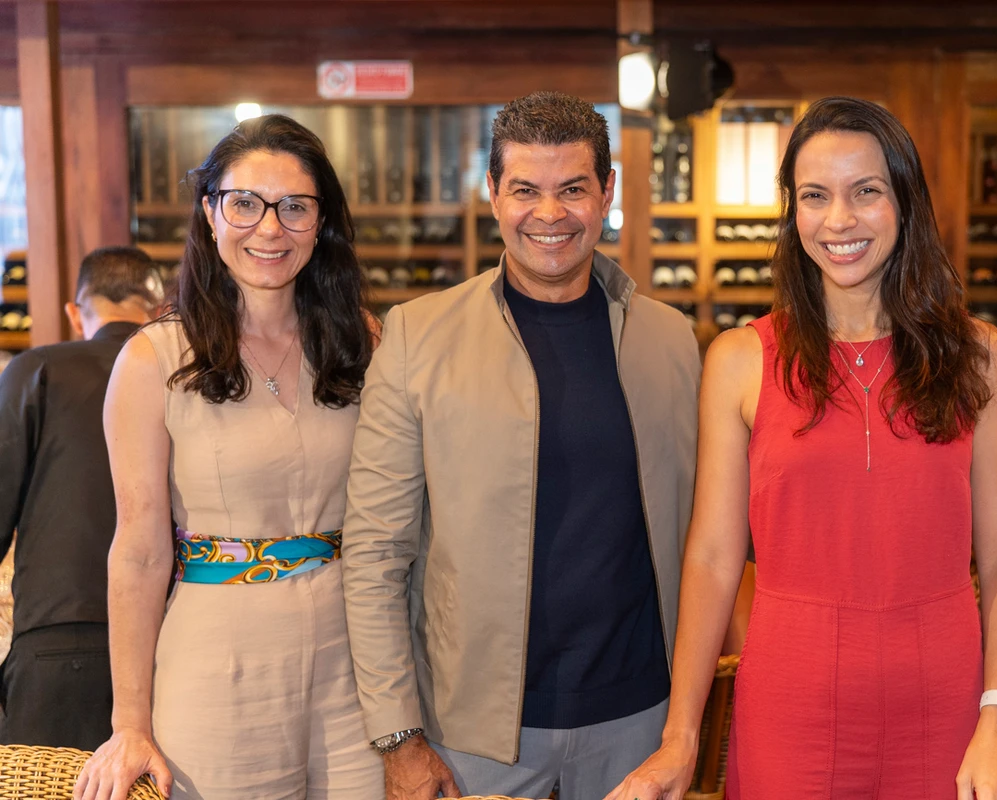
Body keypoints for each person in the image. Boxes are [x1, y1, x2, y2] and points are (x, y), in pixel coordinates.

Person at [608, 97, 997, 800]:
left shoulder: (979, 354)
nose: (839, 220)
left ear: (905, 203)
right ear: (792, 213)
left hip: (945, 700)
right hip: (789, 701)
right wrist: (680, 738)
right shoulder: (742, 360)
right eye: (815, 197)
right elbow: (714, 559)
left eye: (865, 192)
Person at [341, 91, 701, 800]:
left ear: (607, 191)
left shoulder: (672, 340)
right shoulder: (417, 337)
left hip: (639, 723)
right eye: (525, 190)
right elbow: (376, 552)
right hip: (471, 735)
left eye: (572, 189)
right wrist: (397, 737)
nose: (550, 214)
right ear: (492, 193)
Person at [74, 115, 383, 800]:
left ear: (321, 221)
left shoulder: (361, 341)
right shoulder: (154, 358)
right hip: (217, 665)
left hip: (355, 665)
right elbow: (139, 550)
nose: (269, 229)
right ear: (211, 212)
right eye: (245, 203)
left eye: (294, 207)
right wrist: (130, 722)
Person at [0, 247, 162, 750]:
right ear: (158, 311)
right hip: (167, 638)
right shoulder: (184, 377)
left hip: (57, 632)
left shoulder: (36, 370)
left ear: (76, 313)